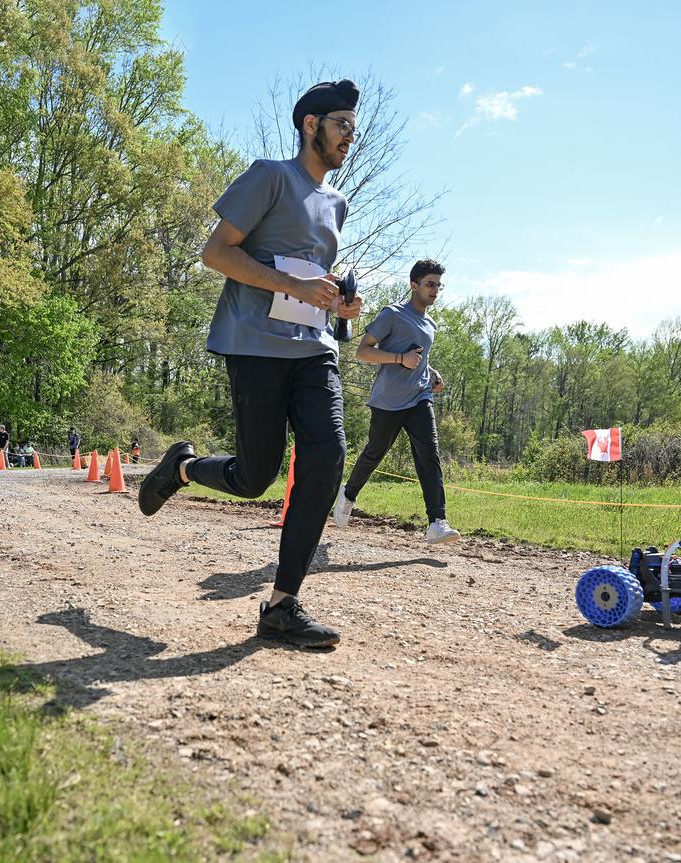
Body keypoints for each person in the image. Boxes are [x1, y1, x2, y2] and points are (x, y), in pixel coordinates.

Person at [139, 79, 364, 649]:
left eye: (353, 128)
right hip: (256, 346)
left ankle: (282, 605)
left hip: (315, 349)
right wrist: (291, 283)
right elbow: (217, 252)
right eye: (341, 124)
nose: (349, 136)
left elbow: (314, 282)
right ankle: (183, 468)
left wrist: (341, 306)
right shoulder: (269, 176)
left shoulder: (335, 204)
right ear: (310, 125)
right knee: (256, 475)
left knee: (328, 452)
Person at [333, 259, 461, 545]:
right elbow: (363, 352)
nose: (435, 290)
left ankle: (437, 522)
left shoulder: (430, 323)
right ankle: (348, 494)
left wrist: (432, 373)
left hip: (419, 398)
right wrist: (400, 359)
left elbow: (420, 358)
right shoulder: (392, 314)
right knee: (374, 454)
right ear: (414, 285)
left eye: (438, 286)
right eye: (430, 284)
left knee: (429, 453)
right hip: (388, 401)